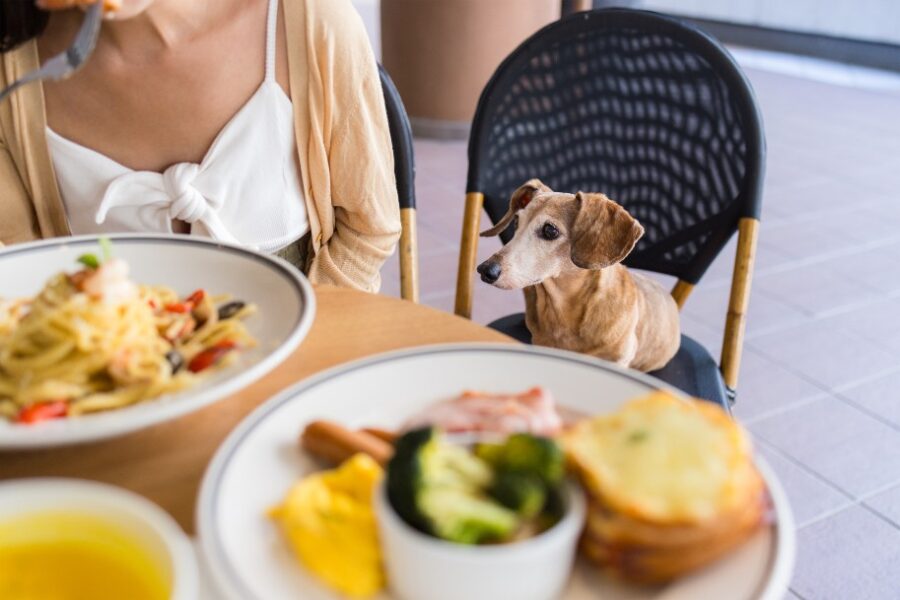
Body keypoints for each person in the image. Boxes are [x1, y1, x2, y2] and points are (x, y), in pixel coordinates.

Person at [0, 0, 400, 292]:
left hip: (300, 368)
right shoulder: (13, 71)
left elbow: (367, 231)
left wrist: (301, 350)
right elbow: (21, 271)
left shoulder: (309, 18)